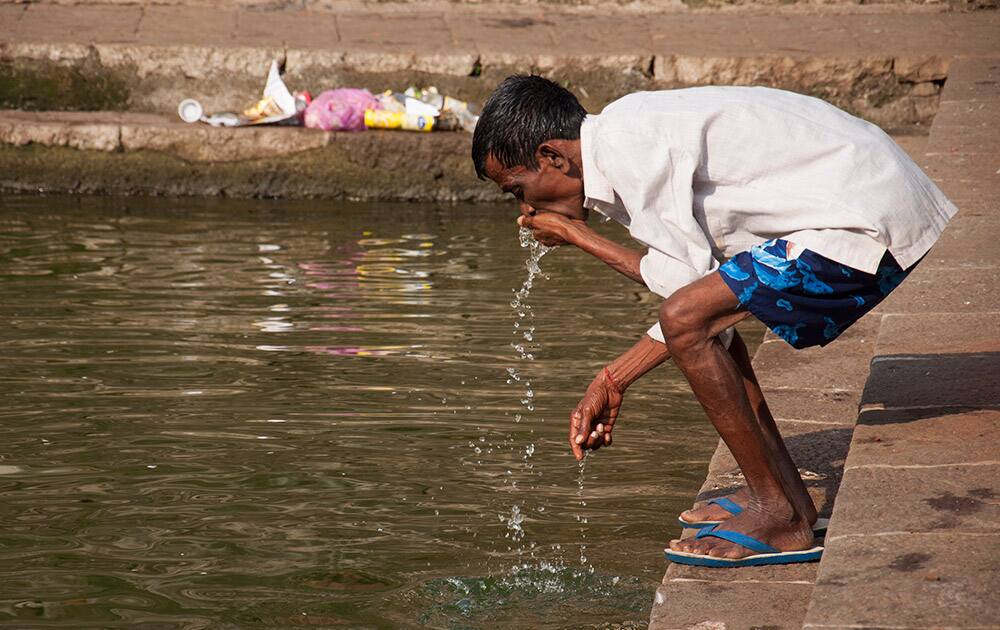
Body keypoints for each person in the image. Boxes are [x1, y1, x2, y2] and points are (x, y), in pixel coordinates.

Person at [470, 75, 956, 568]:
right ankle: (788, 500)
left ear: (553, 156)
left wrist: (580, 240)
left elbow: (682, 295)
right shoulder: (623, 135)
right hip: (870, 198)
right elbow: (700, 290)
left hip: (868, 217)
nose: (527, 208)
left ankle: (779, 516)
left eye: (519, 189)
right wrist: (613, 378)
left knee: (689, 318)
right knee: (706, 319)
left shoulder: (627, 149)